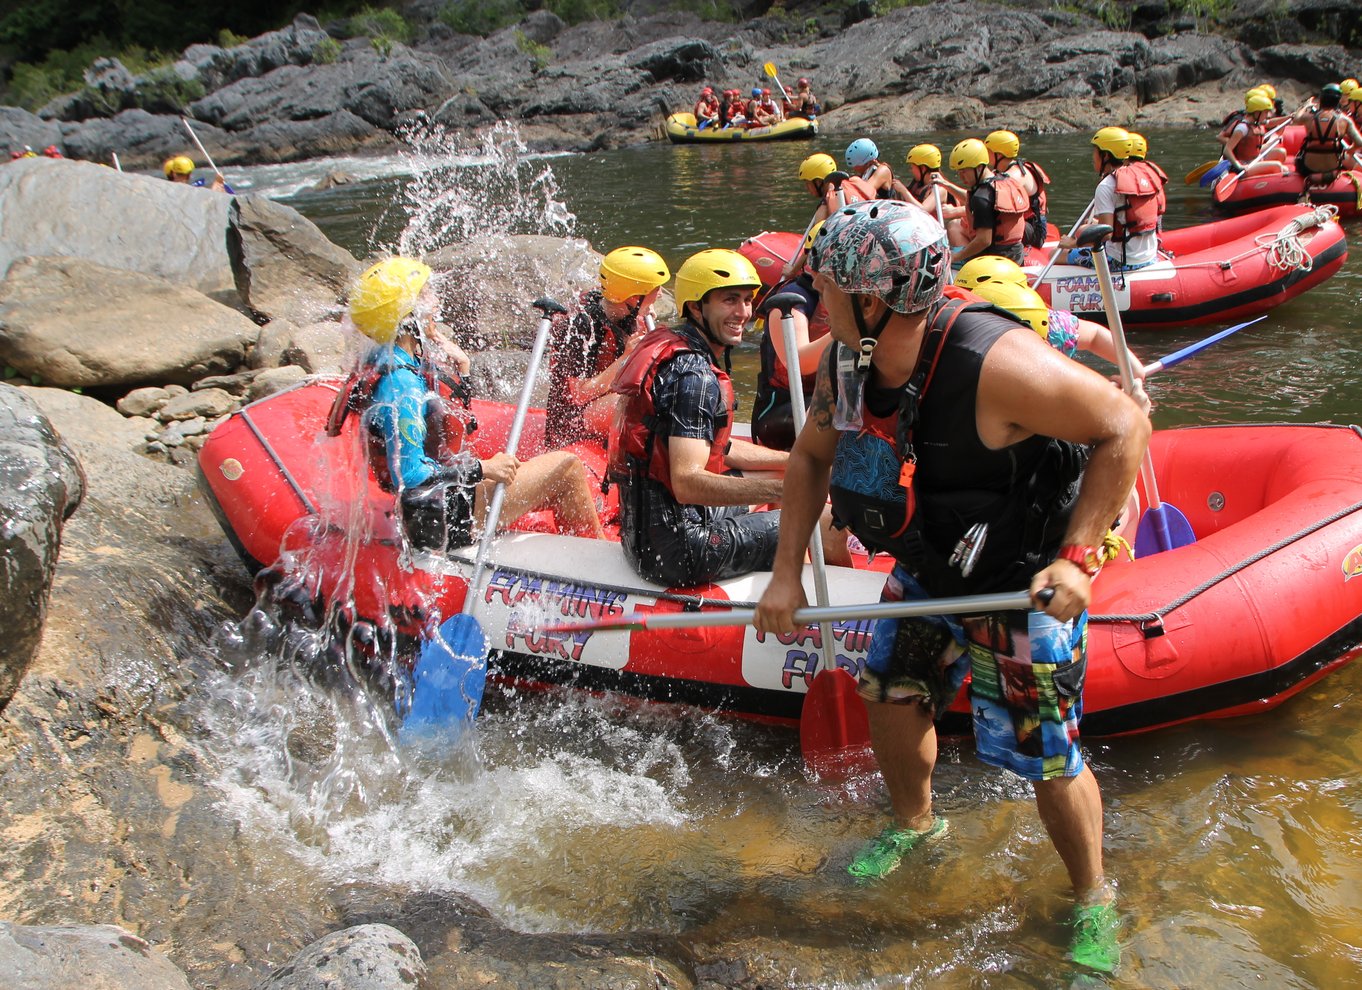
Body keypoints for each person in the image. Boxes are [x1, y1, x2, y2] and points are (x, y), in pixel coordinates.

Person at [754, 200, 1148, 974]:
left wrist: (1078, 558)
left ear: (872, 300)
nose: (816, 296)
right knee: (892, 695)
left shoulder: (994, 362)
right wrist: (783, 570)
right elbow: (808, 460)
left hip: (1015, 581)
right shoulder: (850, 360)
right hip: (931, 564)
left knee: (1050, 758)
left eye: (828, 284)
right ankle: (915, 827)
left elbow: (1124, 424)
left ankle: (1093, 895)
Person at [608, 249, 846, 586]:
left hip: (647, 537)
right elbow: (687, 482)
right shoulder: (694, 377)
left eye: (748, 300)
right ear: (695, 307)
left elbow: (716, 446)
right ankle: (846, 607)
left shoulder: (678, 349)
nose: (744, 312)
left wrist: (793, 462)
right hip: (681, 551)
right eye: (729, 300)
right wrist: (789, 490)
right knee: (822, 516)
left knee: (785, 474)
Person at [346, 257, 605, 555]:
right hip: (440, 518)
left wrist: (464, 370)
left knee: (548, 478)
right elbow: (411, 475)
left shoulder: (394, 360)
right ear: (407, 317)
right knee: (567, 468)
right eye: (426, 296)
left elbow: (449, 427)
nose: (435, 303)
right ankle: (600, 568)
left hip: (438, 504)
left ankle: (577, 554)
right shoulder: (401, 384)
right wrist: (484, 468)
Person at [546, 246, 670, 447]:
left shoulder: (628, 314)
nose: (661, 295)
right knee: (636, 401)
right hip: (571, 421)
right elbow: (579, 394)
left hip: (603, 403)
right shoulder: (581, 325)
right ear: (633, 297)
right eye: (655, 289)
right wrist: (627, 357)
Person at [752, 224, 834, 450]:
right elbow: (800, 362)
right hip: (782, 409)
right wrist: (848, 331)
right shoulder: (791, 301)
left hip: (821, 398)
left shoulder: (849, 299)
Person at [1060, 127, 1165, 272]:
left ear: (1106, 156)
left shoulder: (1106, 186)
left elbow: (1106, 234)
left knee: (1056, 254)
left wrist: (1073, 243)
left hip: (1119, 261)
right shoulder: (1142, 175)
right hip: (1150, 257)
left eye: (1095, 151)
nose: (1093, 156)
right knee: (1085, 228)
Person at [946, 137, 1030, 265]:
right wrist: (945, 184)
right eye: (958, 172)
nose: (961, 177)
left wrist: (955, 257)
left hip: (992, 261)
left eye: (963, 171)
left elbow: (983, 241)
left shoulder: (981, 198)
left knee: (944, 258)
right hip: (1016, 255)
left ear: (979, 168)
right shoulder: (1003, 180)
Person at [1288, 83, 1362, 198]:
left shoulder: (1309, 117)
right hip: (1332, 169)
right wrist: (1351, 150)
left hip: (1307, 168)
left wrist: (1305, 106)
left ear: (1322, 99)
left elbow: (1295, 119)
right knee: (1343, 158)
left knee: (1297, 159)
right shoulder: (1345, 120)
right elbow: (1359, 142)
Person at [984, 130, 1051, 249]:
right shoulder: (1005, 171)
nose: (985, 156)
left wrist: (956, 211)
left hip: (1034, 231)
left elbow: (989, 204)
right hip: (1026, 225)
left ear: (998, 154)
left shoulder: (1015, 176)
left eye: (988, 151)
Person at [1218, 89, 1287, 175]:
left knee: (1285, 167)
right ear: (1257, 113)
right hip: (1243, 166)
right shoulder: (1242, 128)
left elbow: (1270, 122)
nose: (1268, 115)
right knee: (1277, 166)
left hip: (1254, 161)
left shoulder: (1256, 123)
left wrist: (1289, 117)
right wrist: (1239, 166)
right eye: (1265, 112)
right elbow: (1227, 150)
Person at [892, 145, 964, 223]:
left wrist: (904, 191)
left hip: (933, 231)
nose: (911, 170)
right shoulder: (918, 184)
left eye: (912, 167)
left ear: (923, 168)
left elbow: (923, 210)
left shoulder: (940, 189)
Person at [163, 154, 231, 193]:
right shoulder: (177, 191)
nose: (188, 177)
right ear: (174, 174)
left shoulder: (167, 189)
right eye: (186, 174)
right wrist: (217, 184)